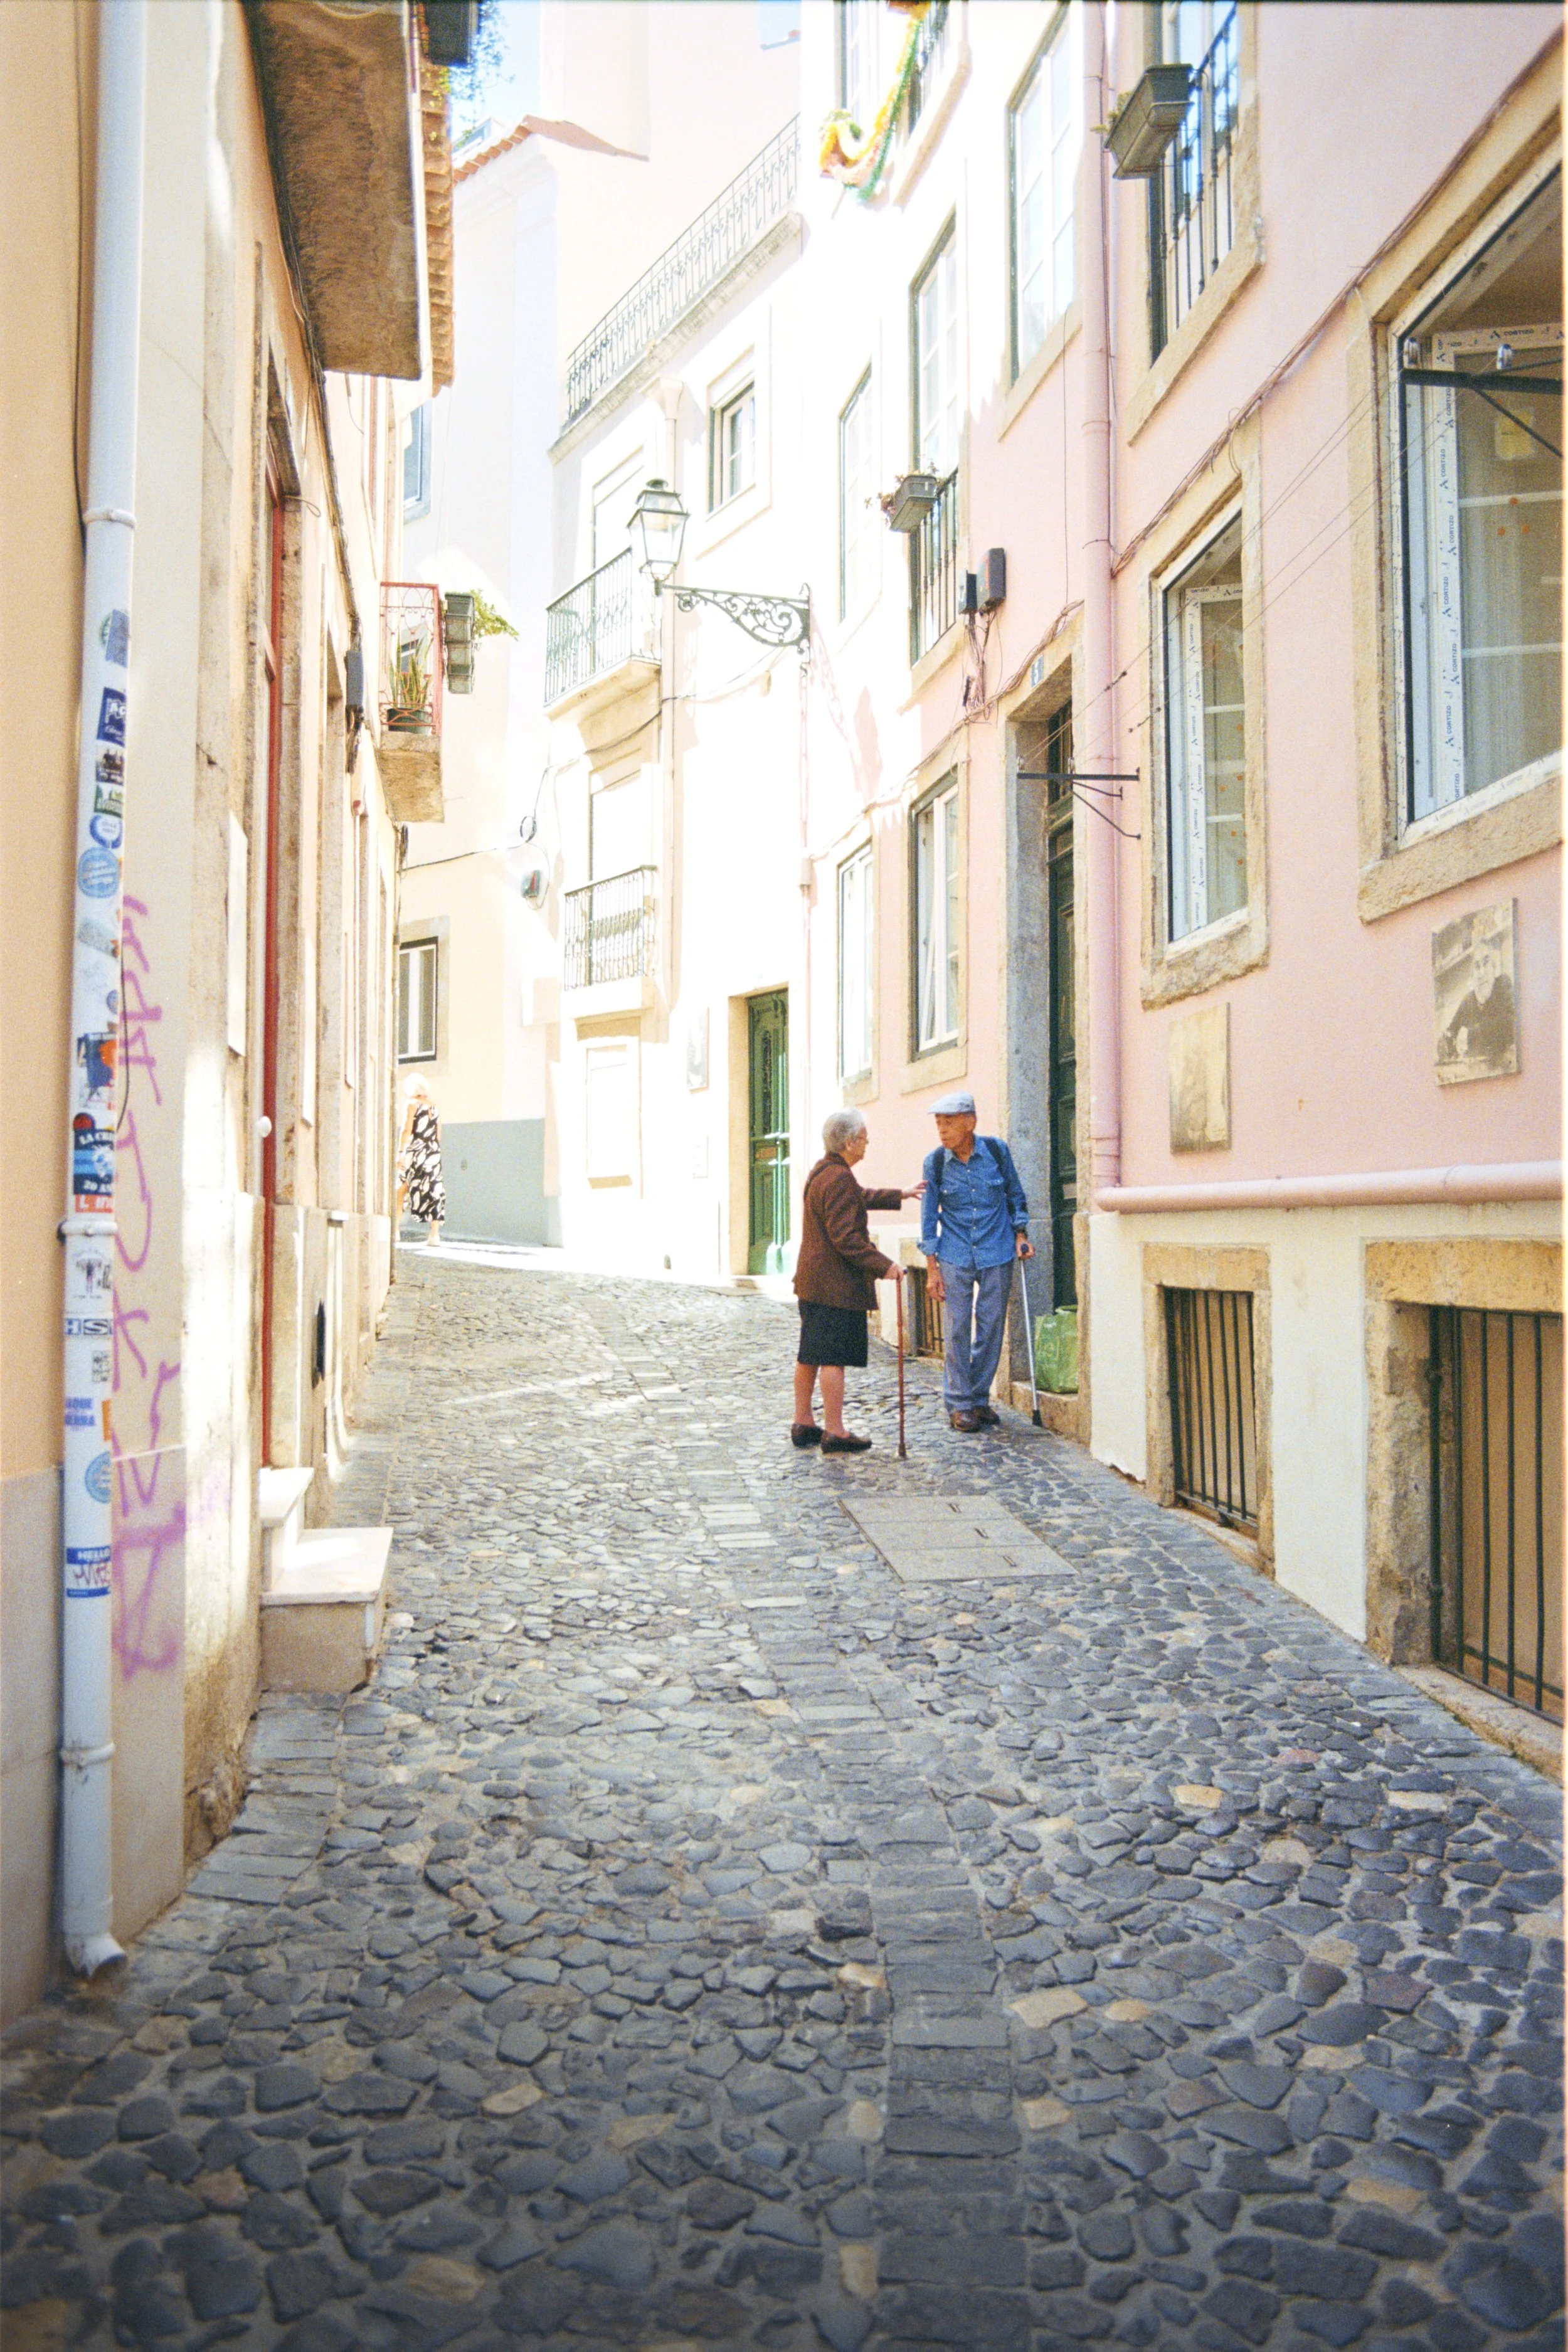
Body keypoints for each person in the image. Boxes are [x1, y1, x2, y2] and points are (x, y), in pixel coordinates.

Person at [792, 1108, 924, 1455]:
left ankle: (803, 1421)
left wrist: (900, 1194)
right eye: (864, 1137)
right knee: (832, 1357)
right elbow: (847, 1238)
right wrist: (886, 1266)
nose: (867, 1142)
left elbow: (858, 1197)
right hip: (833, 1286)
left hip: (813, 1283)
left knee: (810, 1354)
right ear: (850, 1142)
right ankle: (834, 1431)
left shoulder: (826, 1172)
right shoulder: (838, 1178)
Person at [919, 1090, 1033, 1432]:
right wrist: (931, 1267)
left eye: (949, 1122)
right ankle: (959, 1403)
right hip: (954, 1253)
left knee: (991, 1326)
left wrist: (1021, 1233)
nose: (942, 1130)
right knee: (955, 1328)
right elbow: (928, 1215)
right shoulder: (935, 1162)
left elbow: (1015, 1193)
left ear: (970, 1123)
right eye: (938, 1123)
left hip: (997, 1249)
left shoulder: (996, 1152)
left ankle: (979, 1398)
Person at [396, 1082, 445, 1246]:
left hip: (415, 1150)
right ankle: (434, 1235)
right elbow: (438, 1134)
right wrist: (433, 1152)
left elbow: (406, 1130)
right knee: (434, 1190)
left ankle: (395, 1231)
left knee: (402, 1188)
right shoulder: (435, 1107)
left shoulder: (411, 1104)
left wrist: (401, 1153)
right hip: (433, 1151)